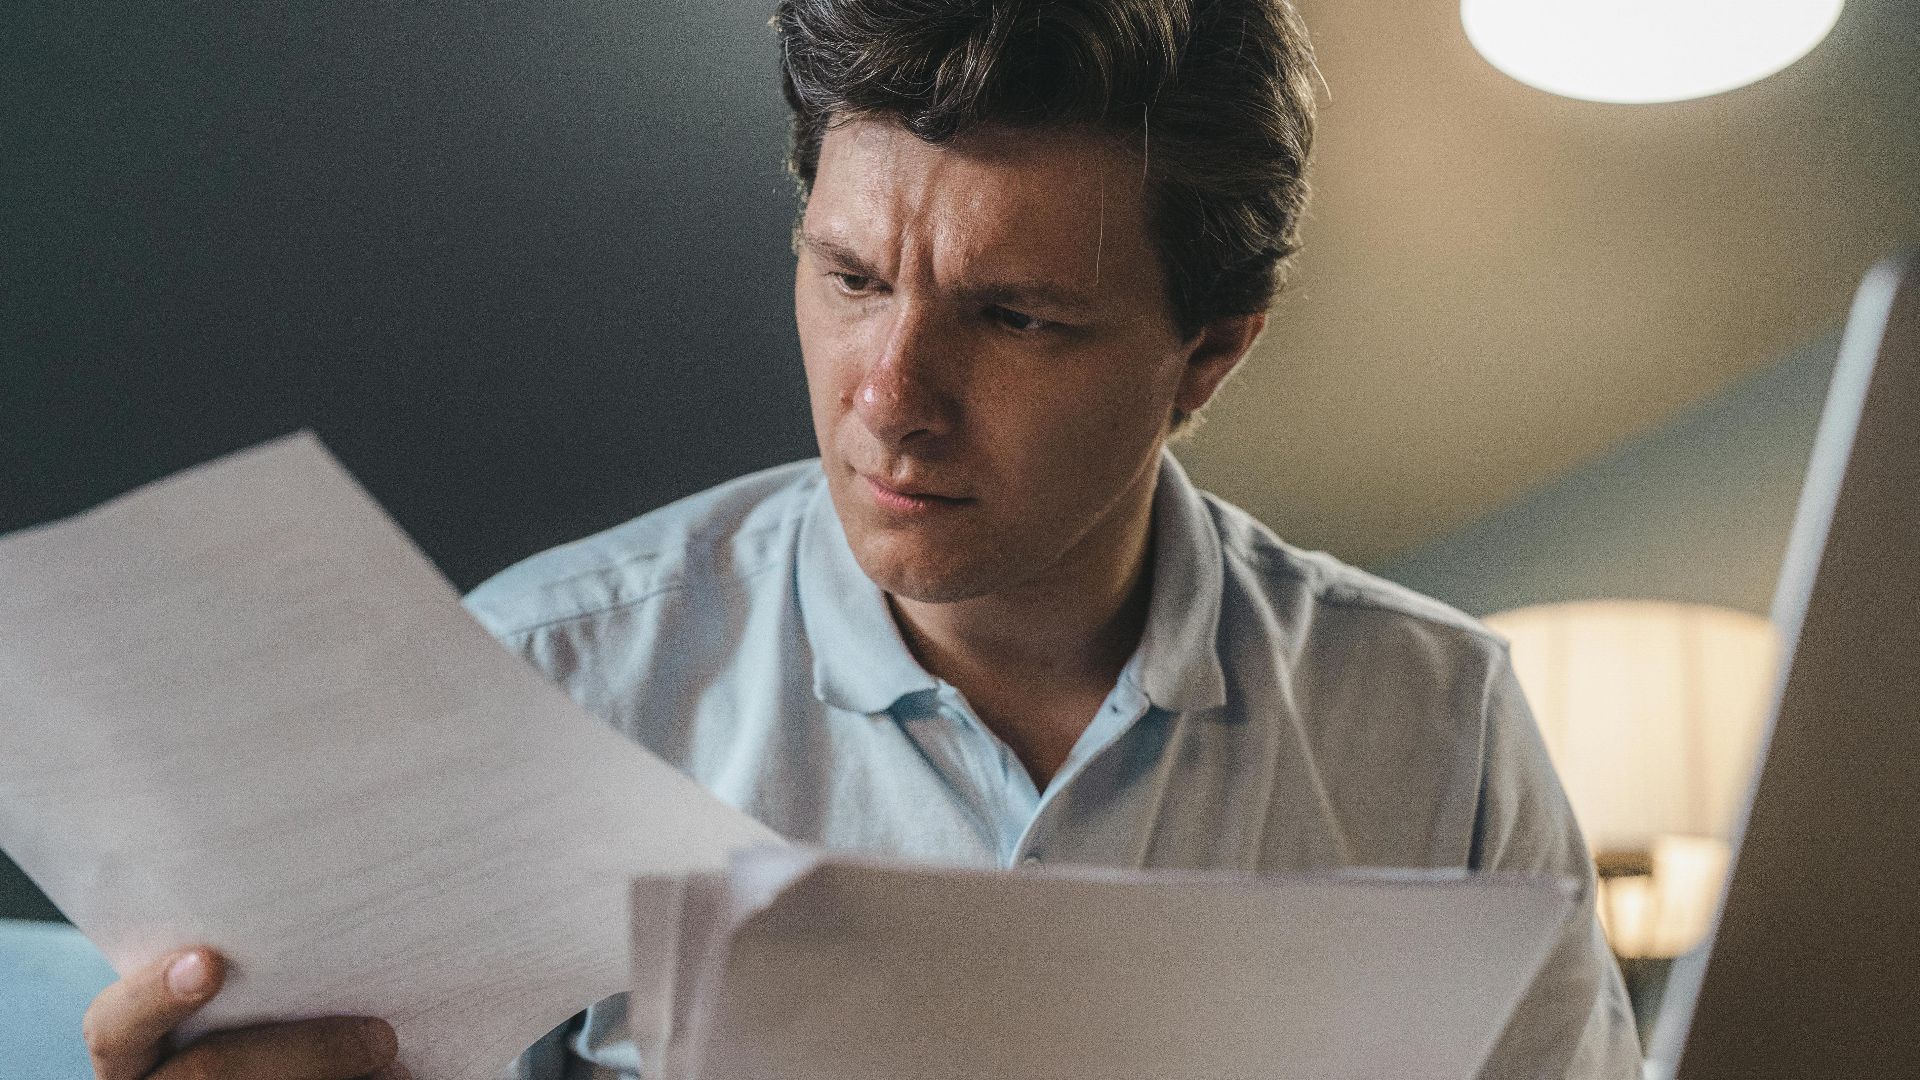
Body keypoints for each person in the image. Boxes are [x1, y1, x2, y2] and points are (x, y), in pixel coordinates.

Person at [81, 1, 1642, 1078]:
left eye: (1015, 317)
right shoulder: (531, 680)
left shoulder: (1442, 728)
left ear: (1209, 357)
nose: (891, 401)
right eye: (850, 279)